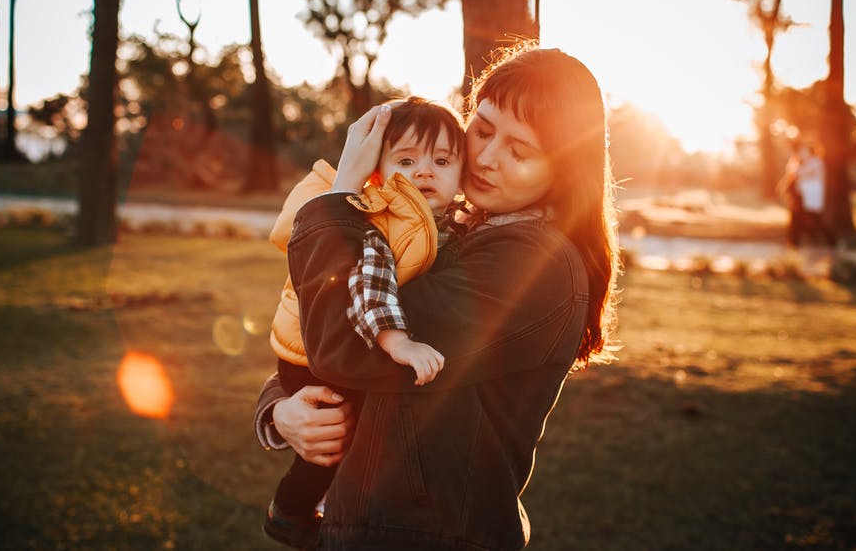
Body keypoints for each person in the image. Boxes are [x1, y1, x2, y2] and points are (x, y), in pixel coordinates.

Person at [254, 42, 620, 550]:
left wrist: (338, 198)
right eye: (485, 129)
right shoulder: (446, 229)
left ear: (563, 169)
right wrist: (281, 409)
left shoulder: (532, 266)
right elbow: (339, 317)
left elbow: (343, 347)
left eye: (520, 150)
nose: (488, 158)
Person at [263, 97, 466, 548]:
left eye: (442, 160)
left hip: (324, 345)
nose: (425, 171)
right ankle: (288, 512)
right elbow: (369, 282)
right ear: (378, 168)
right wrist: (399, 343)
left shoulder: (435, 219)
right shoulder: (381, 215)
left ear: (461, 171)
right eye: (407, 160)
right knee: (329, 447)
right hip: (309, 356)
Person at [783, 138, 837, 248]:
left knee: (815, 219)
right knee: (796, 218)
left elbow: (799, 173)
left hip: (811, 196)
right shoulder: (802, 162)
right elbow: (792, 174)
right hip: (802, 195)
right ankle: (794, 242)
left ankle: (831, 240)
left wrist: (797, 163)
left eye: (804, 151)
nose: (802, 153)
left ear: (810, 151)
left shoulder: (816, 162)